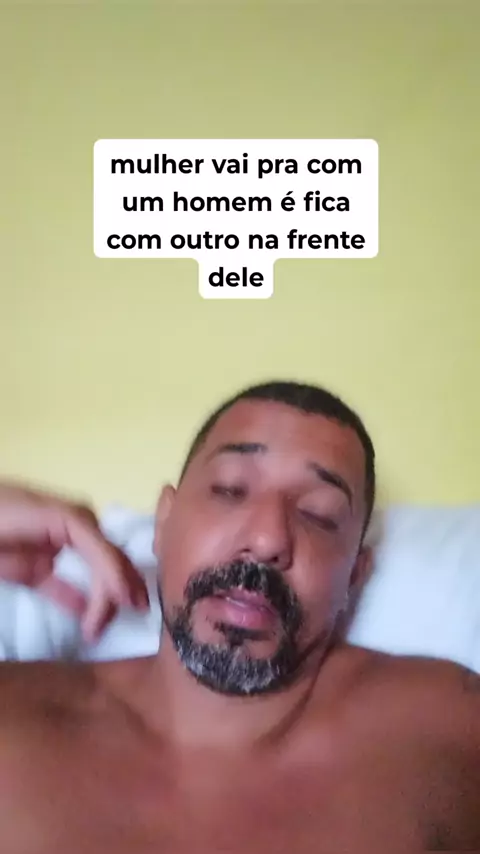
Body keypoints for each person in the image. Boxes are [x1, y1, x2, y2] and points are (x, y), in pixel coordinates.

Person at [0, 380, 479, 853]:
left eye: (318, 515)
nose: (268, 539)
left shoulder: (444, 731)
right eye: (230, 490)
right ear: (163, 523)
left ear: (354, 576)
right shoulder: (18, 713)